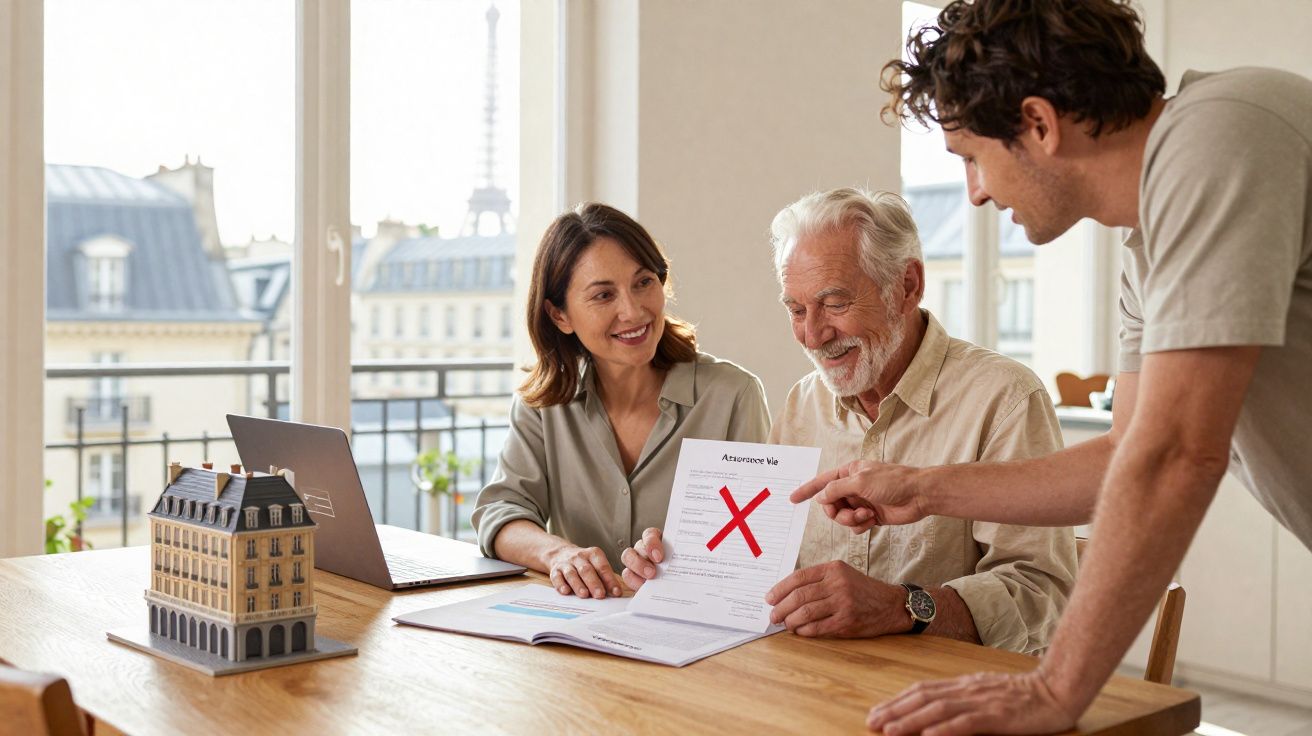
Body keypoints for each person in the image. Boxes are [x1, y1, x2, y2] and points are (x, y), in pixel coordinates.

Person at [793, 2, 1312, 734]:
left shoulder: (1221, 134)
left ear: (1038, 124)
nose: (972, 192)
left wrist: (1054, 690)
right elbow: (1123, 459)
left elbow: (1172, 457)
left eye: (972, 157)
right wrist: (921, 486)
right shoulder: (1147, 248)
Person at [622, 188, 1076, 654]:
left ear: (907, 286)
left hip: (954, 699)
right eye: (796, 310)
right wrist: (679, 570)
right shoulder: (803, 404)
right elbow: (761, 567)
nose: (813, 335)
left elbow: (1041, 595)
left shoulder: (1004, 398)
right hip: (818, 688)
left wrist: (901, 607)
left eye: (835, 304)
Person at [472, 203, 770, 600]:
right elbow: (500, 513)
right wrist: (559, 554)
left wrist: (683, 564)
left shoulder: (732, 396)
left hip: (696, 635)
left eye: (643, 282)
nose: (632, 311)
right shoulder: (544, 405)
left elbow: (758, 549)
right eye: (603, 295)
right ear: (560, 315)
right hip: (579, 638)